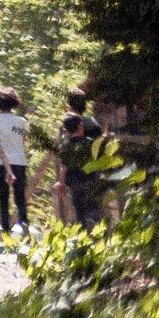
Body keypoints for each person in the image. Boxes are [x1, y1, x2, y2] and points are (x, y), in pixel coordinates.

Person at [0, 86, 31, 235]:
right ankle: (23, 225)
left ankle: (5, 230)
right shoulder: (21, 121)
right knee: (20, 197)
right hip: (19, 161)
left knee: (3, 197)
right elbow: (23, 140)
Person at [59, 92, 107, 226]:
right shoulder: (94, 124)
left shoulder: (67, 124)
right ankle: (98, 235)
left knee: (79, 210)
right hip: (92, 175)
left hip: (74, 178)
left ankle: (84, 237)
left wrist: (61, 181)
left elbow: (64, 160)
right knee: (94, 207)